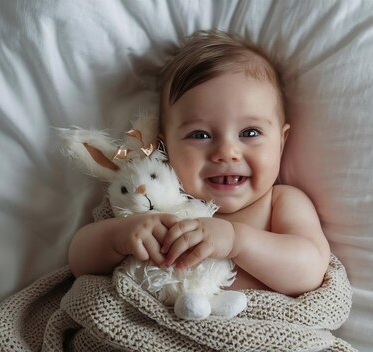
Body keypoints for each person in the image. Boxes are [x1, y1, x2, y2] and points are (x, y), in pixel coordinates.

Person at [68, 30, 330, 296]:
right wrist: (119, 237)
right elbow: (78, 260)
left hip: (252, 330)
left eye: (250, 133)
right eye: (200, 135)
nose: (227, 152)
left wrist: (236, 241)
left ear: (281, 141)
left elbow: (310, 271)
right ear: (165, 146)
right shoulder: (154, 196)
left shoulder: (280, 202)